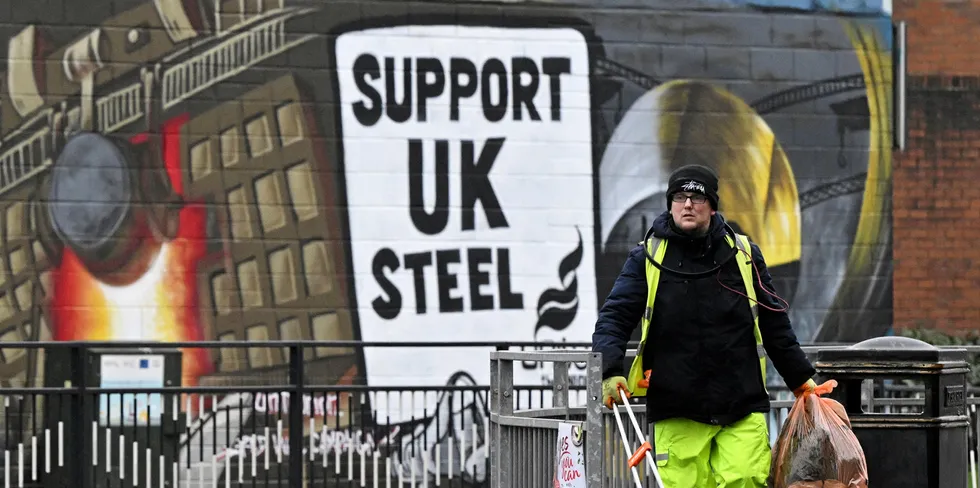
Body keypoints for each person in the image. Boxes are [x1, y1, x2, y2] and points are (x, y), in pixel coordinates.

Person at [592, 164, 817, 488]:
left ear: (712, 205)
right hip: (677, 406)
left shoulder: (743, 255)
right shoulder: (647, 258)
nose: (687, 205)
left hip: (741, 403)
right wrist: (610, 370)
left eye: (696, 198)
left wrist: (800, 379)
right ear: (670, 203)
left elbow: (774, 323)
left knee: (747, 480)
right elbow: (614, 317)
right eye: (680, 197)